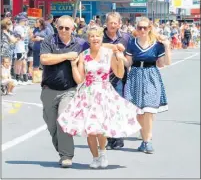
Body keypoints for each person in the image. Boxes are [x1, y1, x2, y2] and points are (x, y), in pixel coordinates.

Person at [57, 26, 141, 169]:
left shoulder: (109, 53)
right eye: (92, 36)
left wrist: (119, 59)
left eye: (97, 36)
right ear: (88, 39)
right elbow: (79, 80)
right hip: (88, 93)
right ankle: (95, 157)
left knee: (101, 128)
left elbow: (119, 74)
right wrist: (73, 65)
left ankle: (102, 153)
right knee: (90, 129)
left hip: (104, 92)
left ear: (101, 38)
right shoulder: (84, 54)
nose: (95, 38)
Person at [40, 15, 89, 168]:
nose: (63, 30)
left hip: (69, 90)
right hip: (48, 89)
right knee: (51, 125)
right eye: (60, 27)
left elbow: (96, 44)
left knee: (63, 119)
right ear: (56, 27)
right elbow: (44, 59)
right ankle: (62, 150)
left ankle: (66, 155)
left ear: (73, 29)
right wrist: (67, 56)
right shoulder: (49, 40)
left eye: (67, 28)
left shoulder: (79, 43)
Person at [124, 17, 171, 154]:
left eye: (145, 27)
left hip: (151, 75)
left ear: (150, 28)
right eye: (140, 28)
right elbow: (128, 63)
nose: (142, 30)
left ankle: (147, 141)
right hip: (136, 75)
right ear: (136, 29)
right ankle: (144, 138)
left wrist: (167, 46)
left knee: (149, 110)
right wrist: (117, 56)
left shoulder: (157, 45)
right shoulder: (132, 43)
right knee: (139, 113)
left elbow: (163, 63)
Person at [102, 12, 131, 150]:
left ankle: (118, 138)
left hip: (119, 77)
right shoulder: (99, 36)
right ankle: (110, 138)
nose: (113, 25)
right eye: (110, 22)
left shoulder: (125, 37)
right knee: (105, 109)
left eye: (115, 23)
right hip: (102, 77)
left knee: (117, 107)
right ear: (106, 23)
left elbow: (130, 57)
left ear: (120, 24)